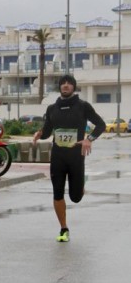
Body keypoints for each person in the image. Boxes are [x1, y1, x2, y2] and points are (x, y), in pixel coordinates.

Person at [33, 74, 105, 242]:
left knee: (76, 198)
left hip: (76, 157)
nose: (65, 85)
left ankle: (80, 186)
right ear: (59, 87)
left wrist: (89, 139)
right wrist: (39, 134)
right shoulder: (52, 108)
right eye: (63, 83)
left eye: (69, 83)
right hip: (58, 156)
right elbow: (48, 131)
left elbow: (100, 125)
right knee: (57, 193)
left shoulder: (83, 106)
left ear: (74, 86)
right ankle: (64, 229)